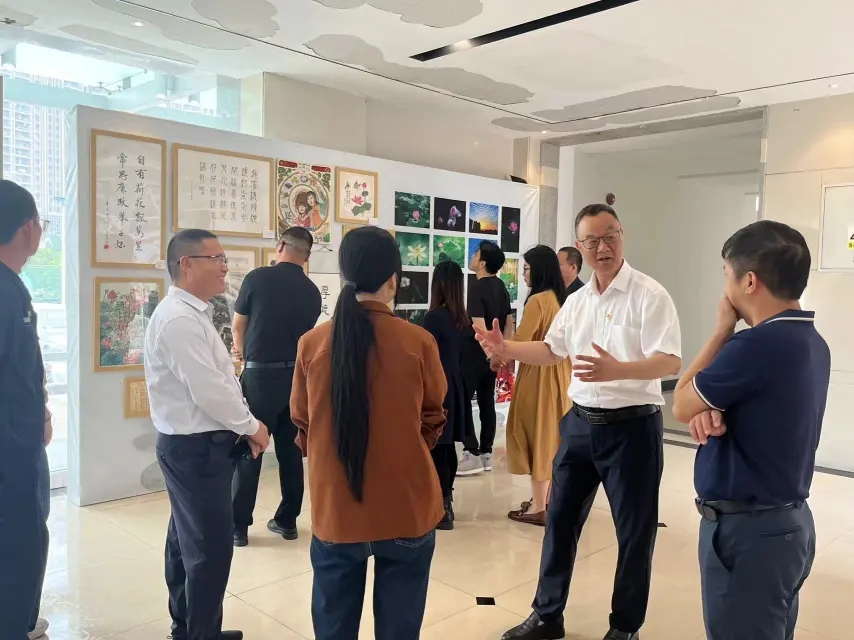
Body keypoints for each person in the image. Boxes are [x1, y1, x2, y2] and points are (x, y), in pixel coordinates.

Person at [478, 204, 682, 640]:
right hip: (579, 425)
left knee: (634, 532)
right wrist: (507, 348)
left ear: (622, 236)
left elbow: (669, 361)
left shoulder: (650, 295)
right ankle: (547, 616)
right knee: (560, 521)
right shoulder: (577, 301)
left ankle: (625, 627)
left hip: (633, 429)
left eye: (609, 236)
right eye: (591, 240)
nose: (602, 247)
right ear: (580, 247)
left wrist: (618, 370)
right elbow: (552, 350)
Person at [672, 220, 830, 640]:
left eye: (727, 274)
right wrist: (712, 408)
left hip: (750, 533)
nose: (724, 288)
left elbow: (681, 402)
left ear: (749, 281)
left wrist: (722, 331)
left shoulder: (755, 345)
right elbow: (754, 407)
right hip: (788, 524)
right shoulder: (811, 341)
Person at [290, 226, 447, 640]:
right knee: (400, 629)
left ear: (345, 276)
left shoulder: (312, 344)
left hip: (336, 509)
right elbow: (434, 415)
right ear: (394, 280)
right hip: (406, 505)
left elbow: (302, 421)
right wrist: (405, 447)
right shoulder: (419, 342)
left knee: (333, 626)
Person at [145, 229, 271, 640]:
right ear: (186, 264)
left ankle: (188, 628)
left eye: (224, 258)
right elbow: (210, 391)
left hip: (196, 447)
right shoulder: (179, 320)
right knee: (208, 551)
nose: (224, 267)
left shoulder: (191, 313)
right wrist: (252, 426)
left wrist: (243, 422)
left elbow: (217, 382)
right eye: (215, 258)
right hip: (194, 450)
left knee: (186, 542)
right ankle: (199, 634)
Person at [231, 227, 321, 547]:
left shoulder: (257, 278)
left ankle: (238, 527)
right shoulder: (312, 292)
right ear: (307, 256)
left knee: (250, 448)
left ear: (280, 245)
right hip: (296, 379)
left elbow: (238, 325)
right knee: (291, 450)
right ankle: (287, 521)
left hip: (259, 378)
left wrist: (241, 354)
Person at [0, 180, 52, 640]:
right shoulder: (6, 292)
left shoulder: (11, 286)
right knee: (20, 539)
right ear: (28, 228)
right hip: (12, 450)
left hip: (18, 439)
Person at [506, 246, 571, 527]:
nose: (523, 274)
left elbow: (521, 340)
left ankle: (538, 506)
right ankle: (546, 500)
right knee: (551, 436)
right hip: (560, 374)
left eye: (526, 269)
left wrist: (498, 348)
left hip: (538, 376)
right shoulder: (559, 298)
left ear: (539, 270)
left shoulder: (537, 300)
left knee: (537, 434)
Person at [457, 240, 513, 477]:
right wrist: (501, 353)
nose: (472, 256)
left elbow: (479, 327)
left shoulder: (477, 287)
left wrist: (491, 354)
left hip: (475, 354)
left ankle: (471, 451)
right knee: (487, 402)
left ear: (482, 263)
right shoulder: (501, 286)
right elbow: (508, 322)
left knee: (463, 401)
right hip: (493, 356)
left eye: (475, 253)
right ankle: (487, 452)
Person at [424, 260, 472, 530]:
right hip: (456, 385)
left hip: (437, 386)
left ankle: (441, 508)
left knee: (437, 446)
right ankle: (446, 501)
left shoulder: (434, 317)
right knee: (447, 445)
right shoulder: (461, 318)